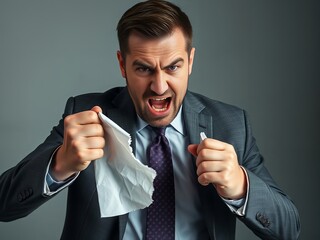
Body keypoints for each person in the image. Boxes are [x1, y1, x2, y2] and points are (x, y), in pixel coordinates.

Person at [0, 0, 300, 239]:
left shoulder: (231, 124)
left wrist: (240, 184)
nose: (159, 87)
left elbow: (289, 229)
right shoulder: (86, 114)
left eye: (173, 68)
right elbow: (4, 205)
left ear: (191, 62)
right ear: (122, 64)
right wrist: (60, 163)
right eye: (144, 69)